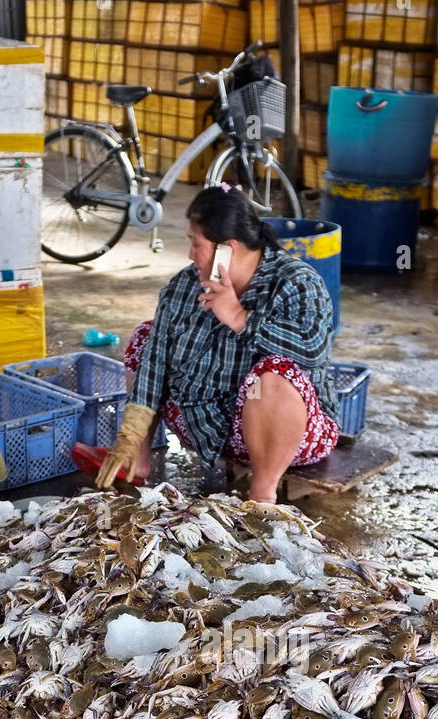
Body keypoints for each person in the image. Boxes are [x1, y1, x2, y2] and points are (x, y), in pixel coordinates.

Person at [95, 186, 339, 503]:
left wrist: (240, 317)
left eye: (196, 244)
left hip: (289, 434)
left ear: (228, 249)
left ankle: (263, 493)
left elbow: (313, 350)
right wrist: (131, 433)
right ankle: (137, 461)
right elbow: (154, 360)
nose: (189, 254)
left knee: (274, 374)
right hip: (204, 427)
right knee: (146, 335)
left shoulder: (296, 282)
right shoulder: (184, 286)